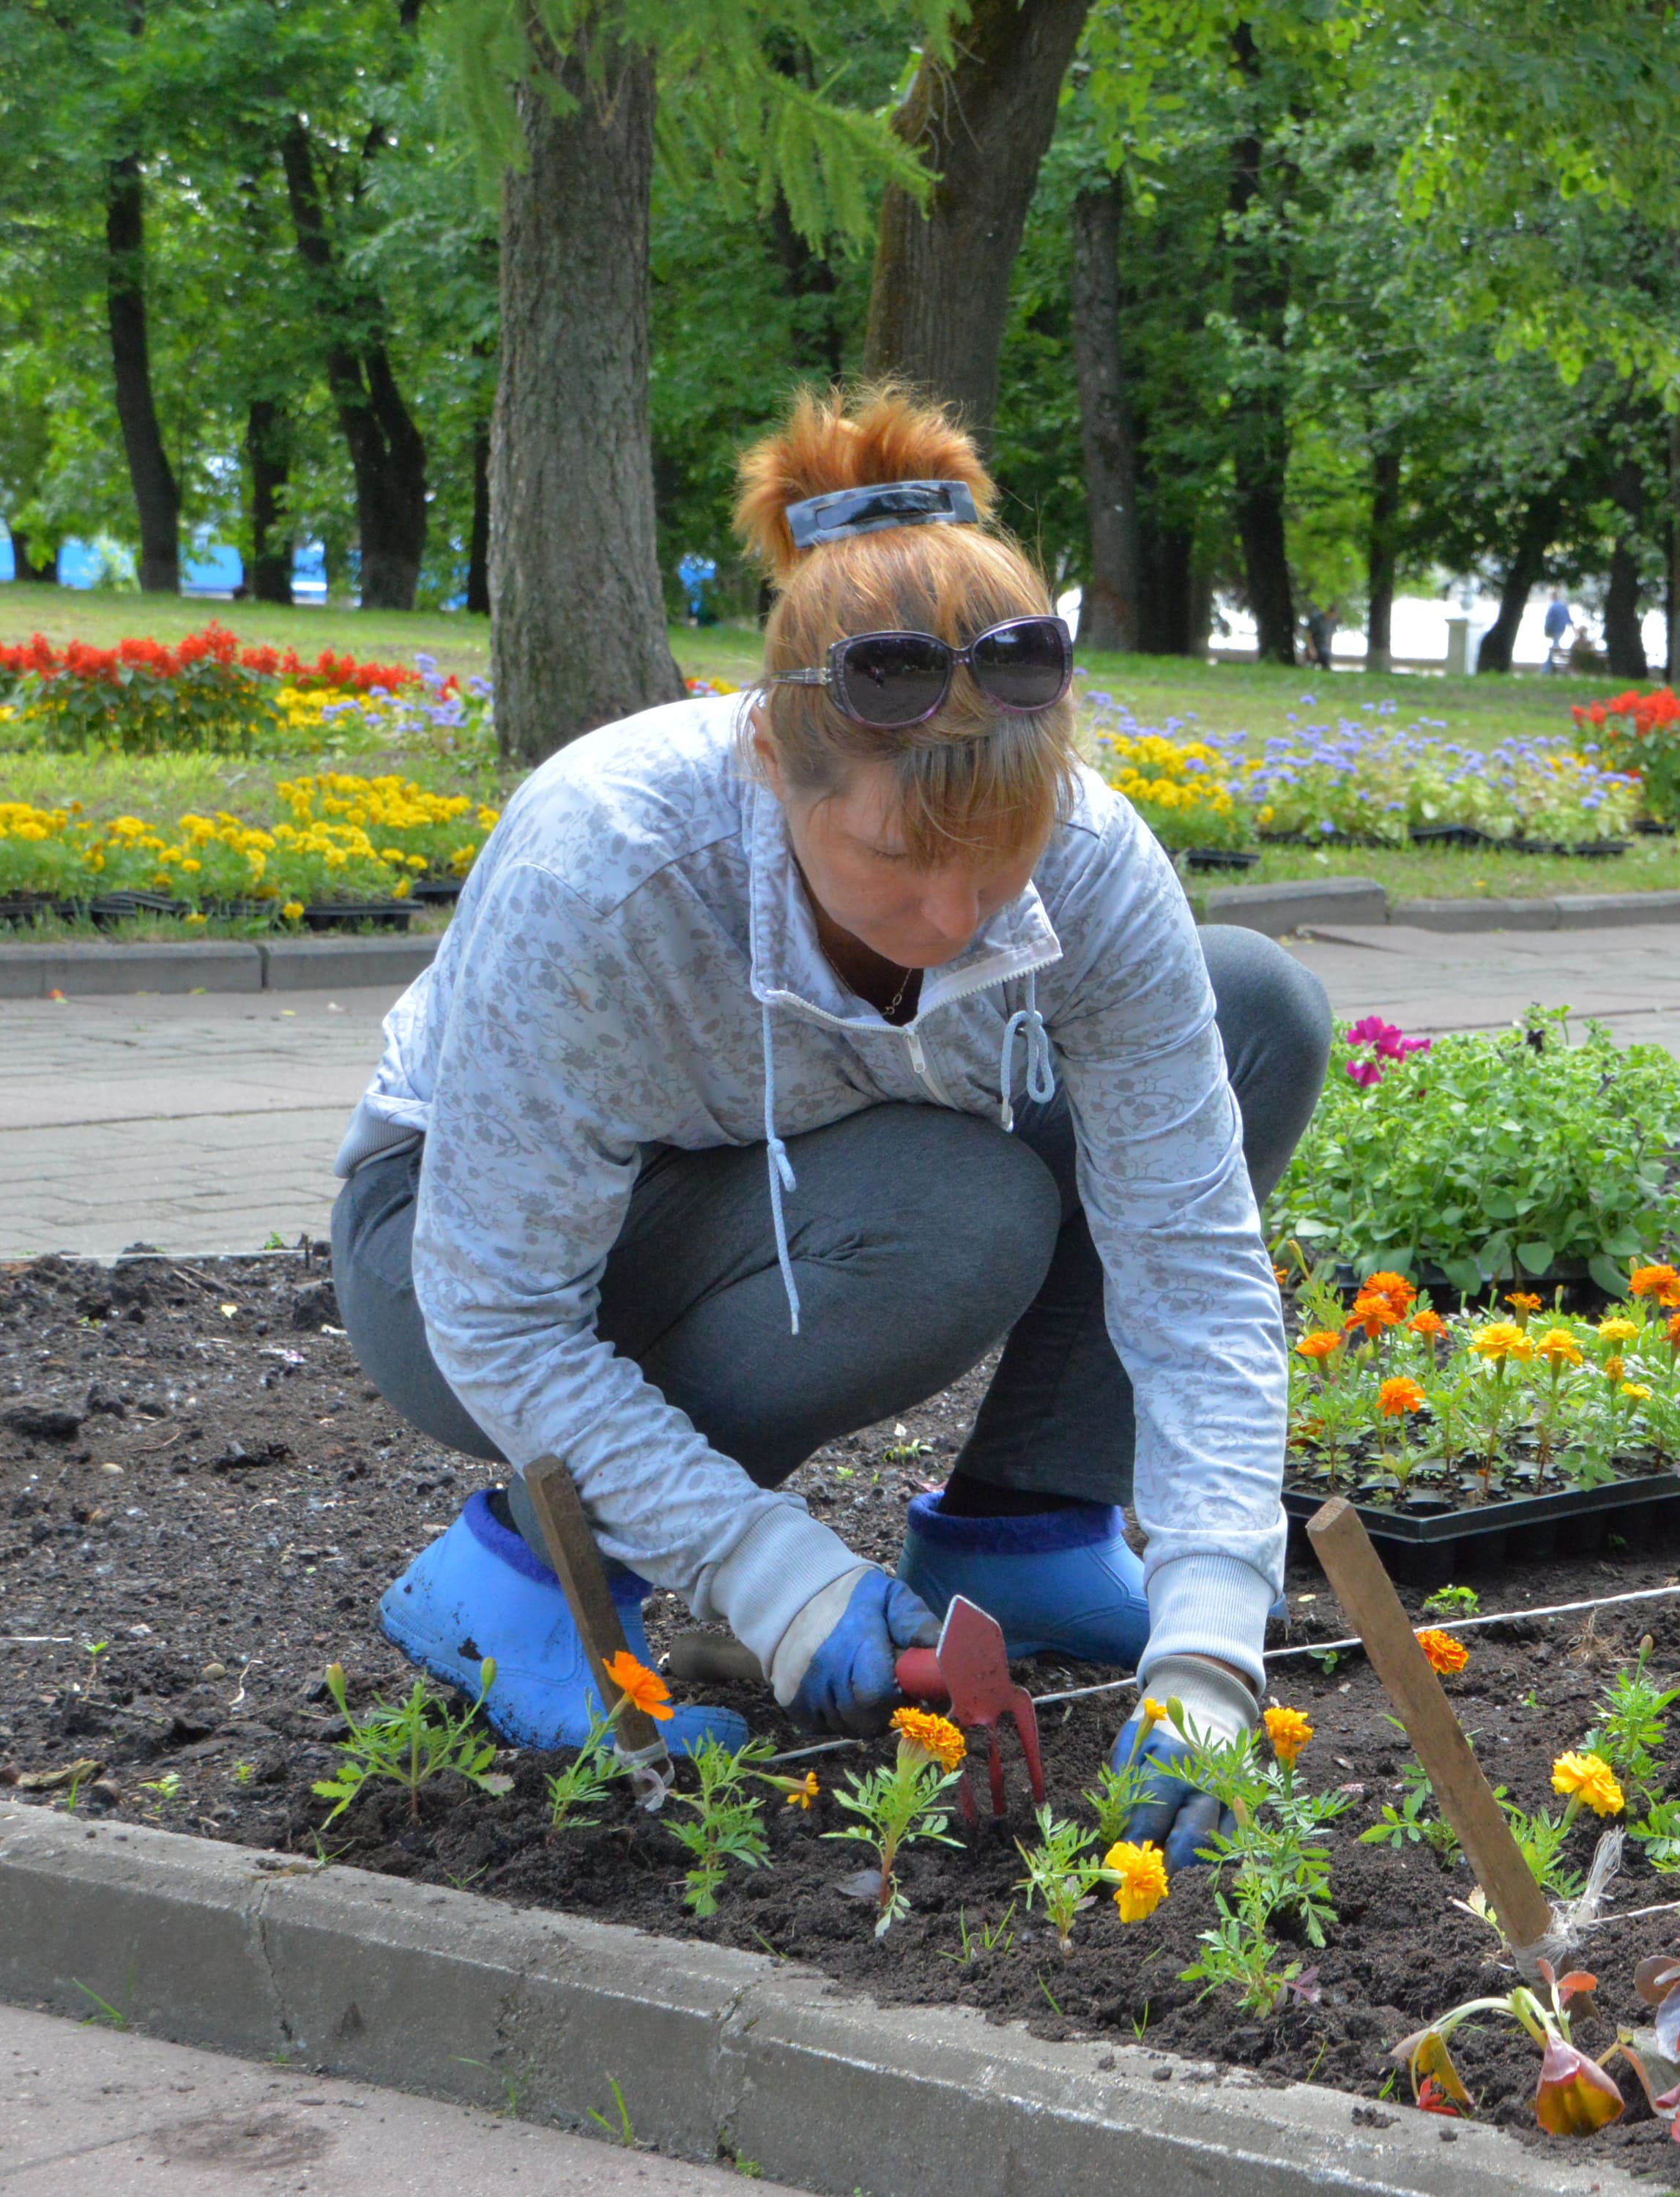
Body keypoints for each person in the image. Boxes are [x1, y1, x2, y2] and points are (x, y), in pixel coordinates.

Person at [334, 384, 1328, 1863]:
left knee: (1253, 1009)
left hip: (809, 1167)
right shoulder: (607, 863)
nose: (950, 919)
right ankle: (530, 1580)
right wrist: (775, 1579)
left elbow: (1191, 1268)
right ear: (771, 765)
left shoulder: (1092, 860)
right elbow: (497, 1311)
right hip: (461, 1252)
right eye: (894, 862)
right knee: (957, 1217)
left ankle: (1032, 1528)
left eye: (997, 864)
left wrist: (1205, 1653)